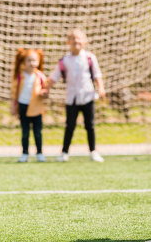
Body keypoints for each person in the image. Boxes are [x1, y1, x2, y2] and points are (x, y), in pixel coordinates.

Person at [45, 29, 106, 162]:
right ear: (68, 42)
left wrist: (101, 89)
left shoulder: (90, 58)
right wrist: (46, 89)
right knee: (70, 125)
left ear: (85, 42)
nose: (76, 41)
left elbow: (97, 75)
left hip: (88, 96)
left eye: (79, 38)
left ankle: (93, 151)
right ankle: (64, 152)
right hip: (71, 98)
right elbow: (54, 76)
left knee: (89, 125)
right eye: (72, 38)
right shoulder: (64, 60)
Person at [10, 48, 48, 163]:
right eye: (29, 60)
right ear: (24, 62)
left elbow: (46, 90)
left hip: (36, 107)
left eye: (34, 60)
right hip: (23, 106)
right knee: (25, 132)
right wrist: (13, 106)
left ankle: (39, 153)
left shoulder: (40, 76)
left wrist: (44, 93)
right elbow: (14, 93)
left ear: (38, 62)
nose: (32, 63)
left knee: (37, 132)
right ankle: (25, 153)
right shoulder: (20, 77)